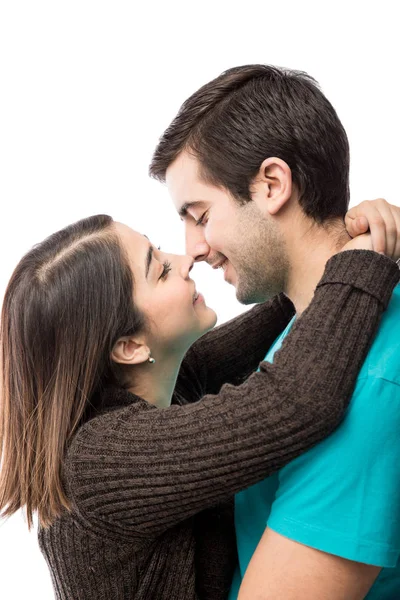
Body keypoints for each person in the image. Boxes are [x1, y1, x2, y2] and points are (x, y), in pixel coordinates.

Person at [0, 213, 398, 600]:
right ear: (130, 347)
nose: (185, 259)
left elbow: (290, 297)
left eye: (158, 248)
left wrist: (339, 232)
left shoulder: (168, 382)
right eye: (159, 270)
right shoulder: (103, 461)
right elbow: (295, 400)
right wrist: (365, 258)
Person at [150, 64, 400, 599]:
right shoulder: (307, 332)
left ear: (271, 185)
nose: (192, 247)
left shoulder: (368, 378)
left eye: (199, 214)